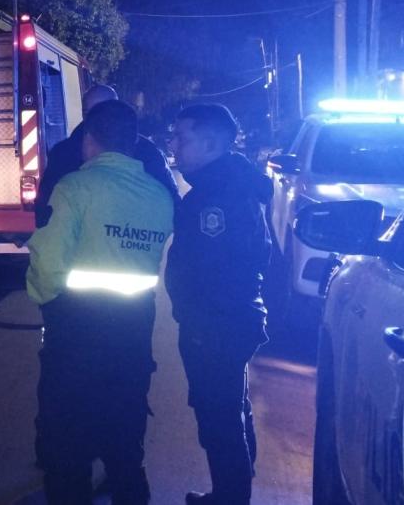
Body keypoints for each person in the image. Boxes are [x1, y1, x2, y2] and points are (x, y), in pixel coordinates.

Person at [27, 100, 174, 504]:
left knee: (67, 441)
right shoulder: (159, 195)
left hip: (76, 331)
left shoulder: (74, 188)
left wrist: (46, 302)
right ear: (133, 143)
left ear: (89, 141)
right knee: (125, 434)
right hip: (134, 330)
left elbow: (47, 261)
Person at [164, 104, 272, 505]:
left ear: (210, 143)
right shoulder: (226, 185)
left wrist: (197, 320)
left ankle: (230, 497)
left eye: (182, 137)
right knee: (231, 408)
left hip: (216, 324)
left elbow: (216, 268)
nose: (173, 144)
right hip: (224, 320)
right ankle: (231, 490)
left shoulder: (218, 198)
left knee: (219, 418)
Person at [35, 85, 179, 228]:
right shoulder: (64, 153)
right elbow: (46, 204)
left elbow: (170, 201)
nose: (97, 118)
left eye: (104, 111)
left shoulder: (147, 151)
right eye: (90, 112)